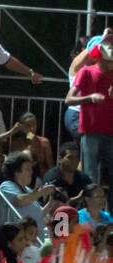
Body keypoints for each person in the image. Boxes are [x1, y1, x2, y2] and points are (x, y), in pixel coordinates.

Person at [67, 41, 113, 186]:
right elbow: (68, 99)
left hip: (110, 132)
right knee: (90, 177)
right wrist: (91, 97)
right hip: (91, 130)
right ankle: (88, 208)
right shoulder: (86, 71)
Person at [0, 150, 55, 232]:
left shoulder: (27, 190)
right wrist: (40, 192)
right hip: (16, 240)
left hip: (33, 241)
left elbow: (38, 214)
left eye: (31, 169)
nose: (31, 172)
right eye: (28, 169)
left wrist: (51, 203)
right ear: (16, 172)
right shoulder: (6, 186)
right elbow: (19, 201)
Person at [43, 141, 92, 205]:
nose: (74, 161)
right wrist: (77, 199)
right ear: (60, 159)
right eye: (70, 157)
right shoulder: (52, 177)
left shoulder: (84, 179)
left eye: (77, 157)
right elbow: (52, 203)